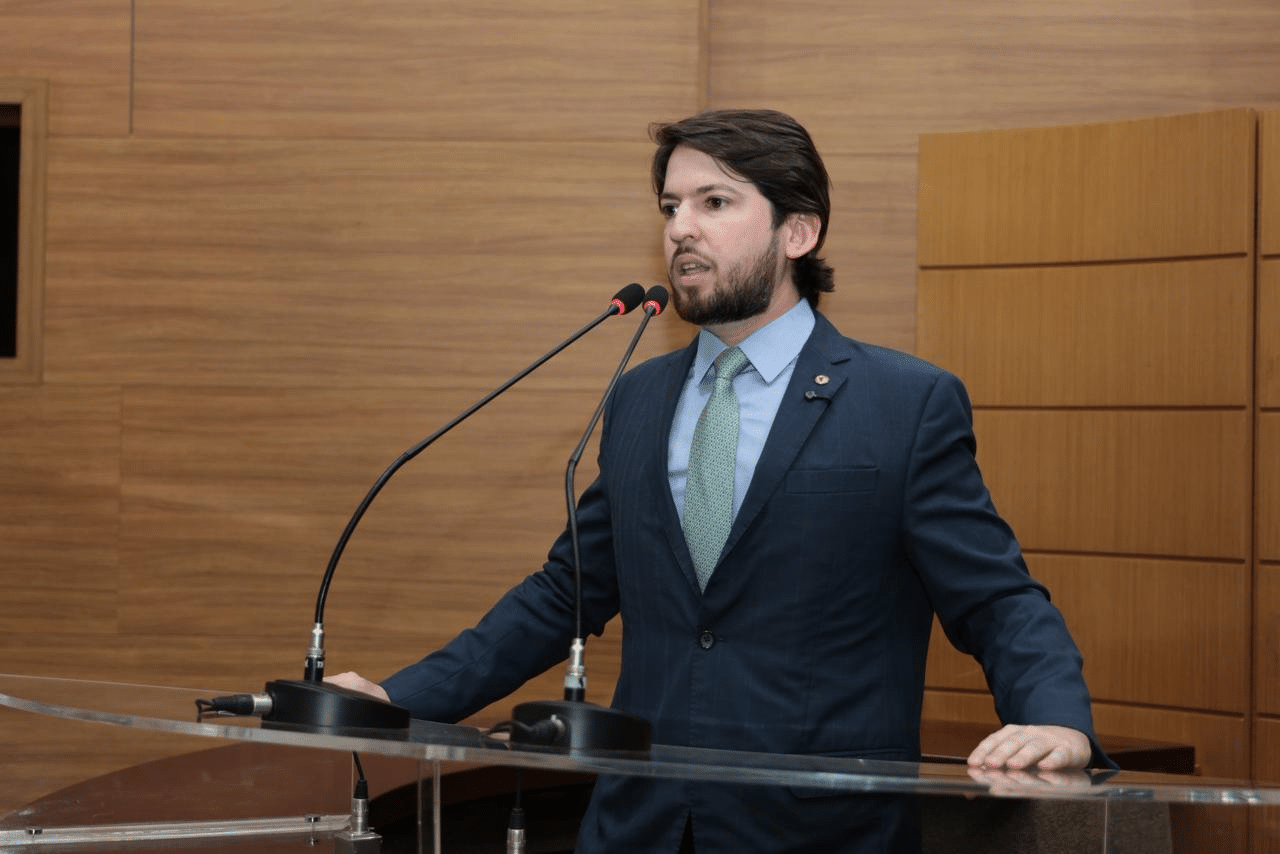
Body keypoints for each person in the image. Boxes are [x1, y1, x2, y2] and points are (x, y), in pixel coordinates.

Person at [330, 108, 1109, 853]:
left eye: (714, 202)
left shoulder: (903, 404)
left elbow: (995, 598)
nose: (680, 228)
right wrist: (398, 702)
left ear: (798, 231)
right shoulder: (638, 397)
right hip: (640, 827)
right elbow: (566, 591)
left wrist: (1057, 720)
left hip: (822, 832)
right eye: (671, 206)